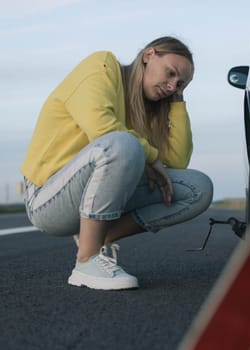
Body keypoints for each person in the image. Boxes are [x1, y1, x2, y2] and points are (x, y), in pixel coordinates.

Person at [20, 36, 213, 291]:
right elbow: (101, 127)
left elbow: (176, 161)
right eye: (170, 74)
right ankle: (86, 262)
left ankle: (95, 236)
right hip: (47, 197)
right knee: (123, 143)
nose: (171, 86)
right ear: (149, 55)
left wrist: (177, 101)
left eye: (180, 84)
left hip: (91, 194)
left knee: (198, 188)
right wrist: (151, 156)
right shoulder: (102, 66)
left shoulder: (149, 108)